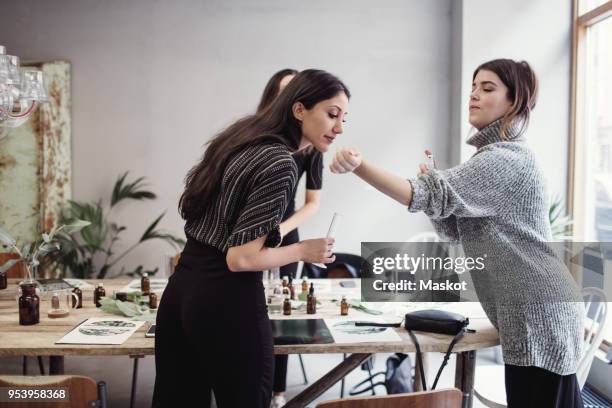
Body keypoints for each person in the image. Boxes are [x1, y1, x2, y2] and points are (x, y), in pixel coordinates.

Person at [331, 59, 584, 408]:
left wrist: (360, 166)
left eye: (488, 88)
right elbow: (452, 229)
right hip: (532, 310)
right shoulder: (493, 155)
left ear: (514, 101)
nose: (475, 95)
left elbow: (421, 194)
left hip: (539, 311)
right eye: (473, 87)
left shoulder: (504, 158)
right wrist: (439, 191)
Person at [153, 69, 350, 408]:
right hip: (227, 301)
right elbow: (240, 258)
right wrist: (303, 250)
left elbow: (220, 225)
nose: (340, 128)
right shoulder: (280, 162)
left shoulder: (241, 138)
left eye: (344, 118)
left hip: (181, 293)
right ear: (299, 109)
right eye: (332, 115)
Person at [257, 69, 325, 408]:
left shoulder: (313, 147)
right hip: (252, 237)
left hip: (285, 233)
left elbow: (312, 203)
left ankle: (278, 394)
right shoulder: (256, 141)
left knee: (281, 315)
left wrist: (281, 230)